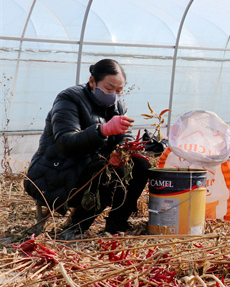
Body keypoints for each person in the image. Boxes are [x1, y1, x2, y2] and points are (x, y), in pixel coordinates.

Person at [24, 59, 150, 239]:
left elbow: (125, 136)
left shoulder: (118, 105)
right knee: (107, 171)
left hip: (90, 167)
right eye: (108, 88)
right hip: (57, 172)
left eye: (119, 90)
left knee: (140, 165)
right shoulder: (69, 99)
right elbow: (66, 143)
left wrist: (124, 149)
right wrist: (102, 130)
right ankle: (76, 226)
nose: (114, 95)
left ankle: (116, 223)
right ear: (92, 82)